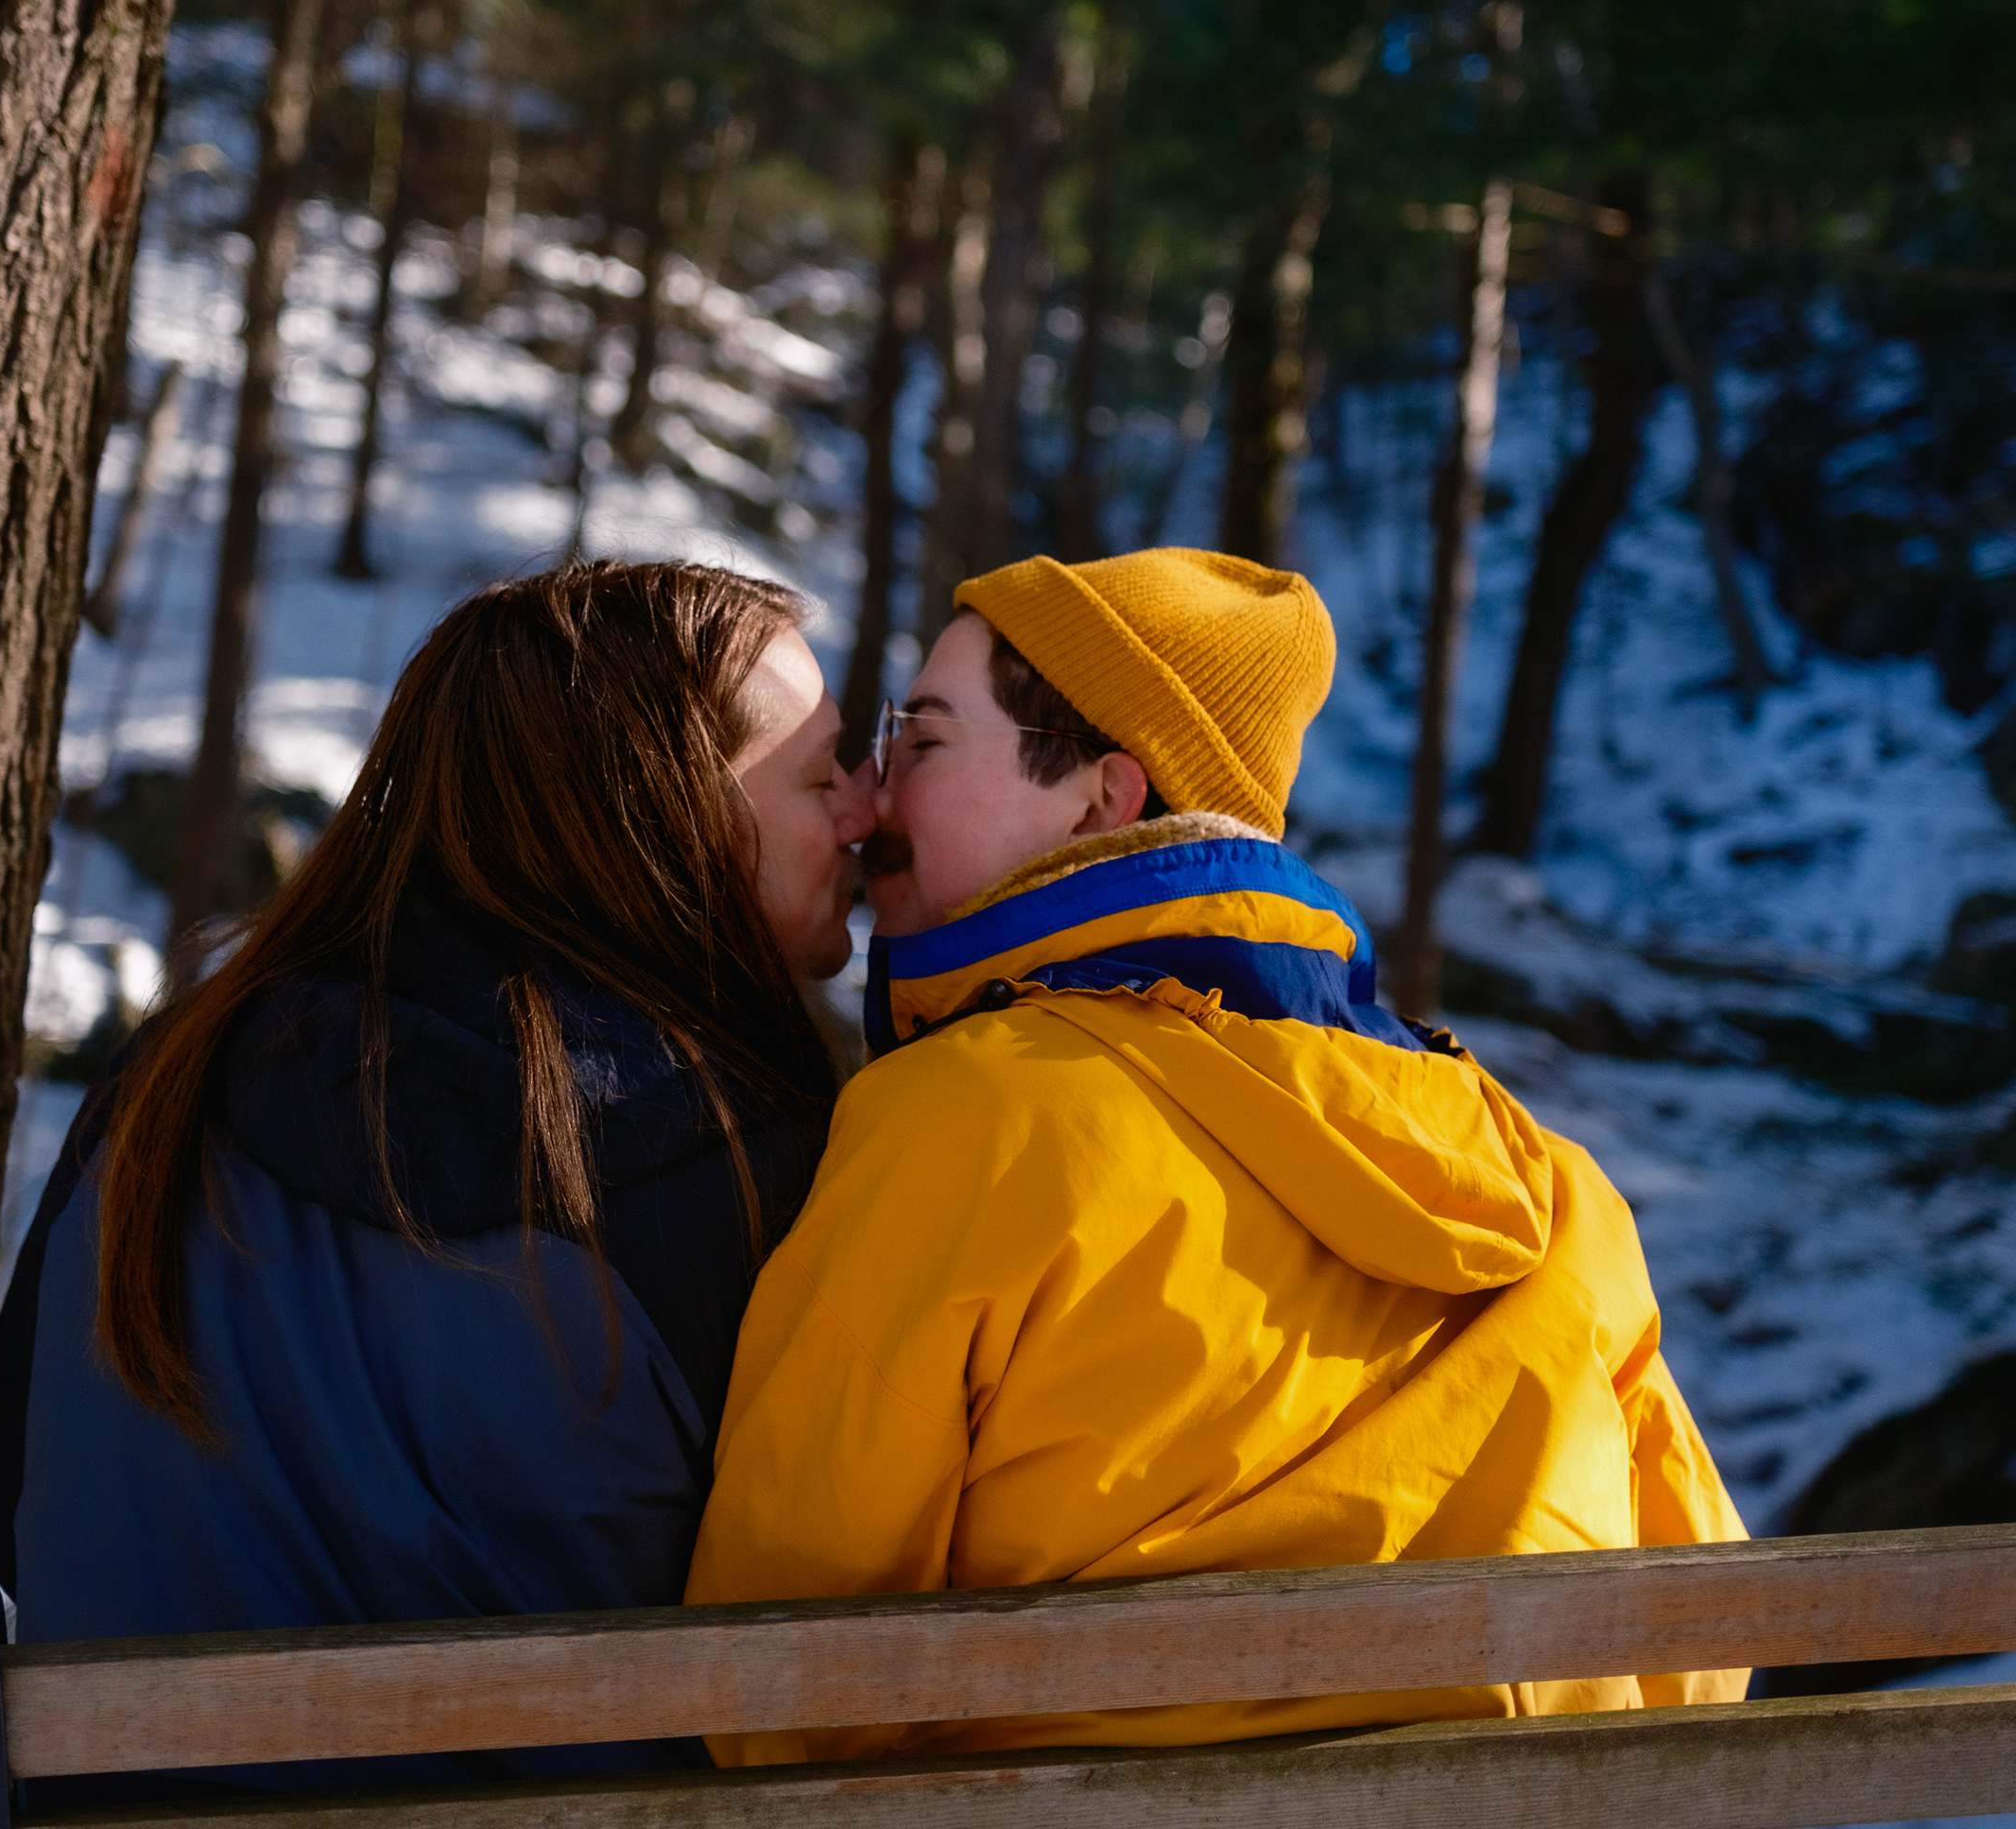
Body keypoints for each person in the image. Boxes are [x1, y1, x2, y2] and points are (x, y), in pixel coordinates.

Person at [687, 546, 1748, 1762]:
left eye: (923, 740)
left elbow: (770, 1685)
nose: (873, 793)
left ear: (1102, 797)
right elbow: (1698, 1639)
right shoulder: (1552, 1185)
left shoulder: (969, 1121)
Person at [0, 561, 870, 1803]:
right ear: (670, 808)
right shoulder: (736, 1160)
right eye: (825, 776)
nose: (871, 812)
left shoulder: (167, 1084)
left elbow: (14, 1497)